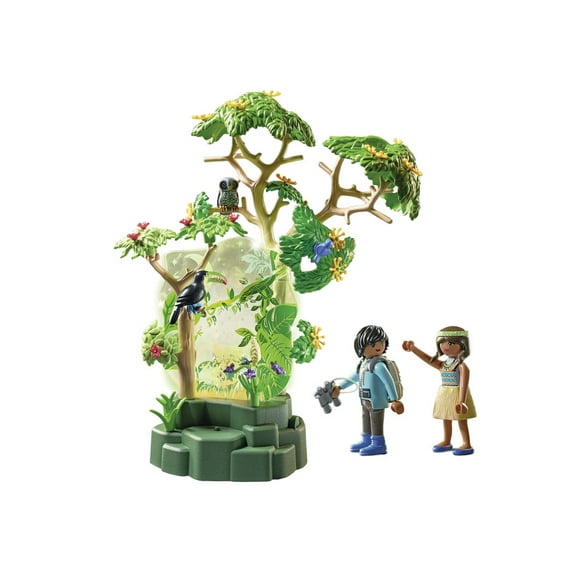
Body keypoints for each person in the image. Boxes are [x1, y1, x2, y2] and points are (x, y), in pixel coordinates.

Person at [402, 326, 476, 455]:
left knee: (461, 419)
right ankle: (446, 440)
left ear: (462, 344)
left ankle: (466, 443)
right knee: (445, 418)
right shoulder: (444, 364)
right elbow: (427, 359)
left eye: (450, 343)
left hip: (457, 394)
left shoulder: (461, 366)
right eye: (442, 343)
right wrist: (413, 349)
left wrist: (462, 401)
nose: (445, 346)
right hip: (445, 393)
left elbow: (464, 383)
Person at [333, 325, 404, 455]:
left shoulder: (378, 365)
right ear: (361, 347)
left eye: (382, 342)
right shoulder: (363, 364)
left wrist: (394, 399)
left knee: (375, 420)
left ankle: (378, 444)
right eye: (373, 344)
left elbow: (388, 382)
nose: (379, 346)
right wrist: (340, 387)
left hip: (377, 400)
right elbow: (354, 377)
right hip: (365, 399)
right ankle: (366, 440)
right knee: (366, 418)